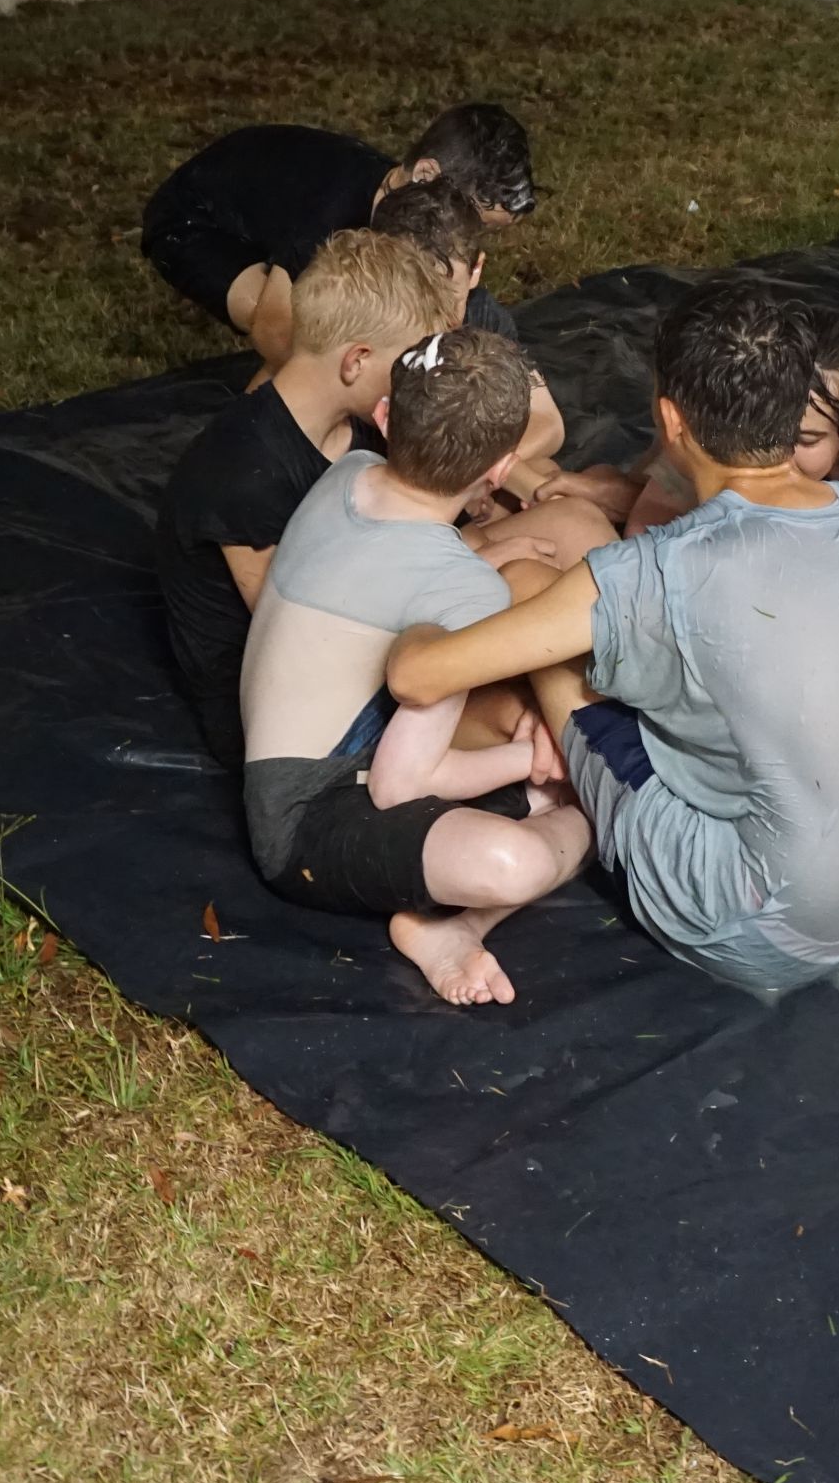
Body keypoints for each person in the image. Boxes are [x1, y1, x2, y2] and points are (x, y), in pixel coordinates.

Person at [386, 284, 839, 997]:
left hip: (754, 928)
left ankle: (524, 790)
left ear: (670, 420)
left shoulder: (659, 574)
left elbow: (417, 675)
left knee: (530, 585)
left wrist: (427, 591)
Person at [239, 327, 594, 1007]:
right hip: (308, 826)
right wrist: (534, 760)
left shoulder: (346, 475)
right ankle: (565, 835)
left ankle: (501, 856)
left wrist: (485, 563)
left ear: (383, 415)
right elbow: (399, 787)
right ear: (502, 468)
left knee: (519, 723)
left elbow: (390, 573)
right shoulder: (460, 592)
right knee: (522, 855)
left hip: (296, 767)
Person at [154, 228, 455, 763]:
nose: (418, 384)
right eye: (407, 366)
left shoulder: (358, 428)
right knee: (495, 690)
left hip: (355, 632)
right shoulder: (242, 473)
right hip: (279, 713)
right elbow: (300, 640)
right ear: (356, 360)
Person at [138, 103, 536, 365]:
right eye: (471, 221)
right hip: (196, 219)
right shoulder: (329, 215)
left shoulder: (408, 197)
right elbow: (274, 332)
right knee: (308, 338)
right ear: (425, 175)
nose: (468, 240)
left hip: (274, 203)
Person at [548, 299, 839, 537]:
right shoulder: (732, 441)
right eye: (767, 425)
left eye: (804, 439)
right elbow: (646, 527)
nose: (775, 452)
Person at [369, 177, 565, 478]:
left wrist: (470, 476)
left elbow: (548, 424)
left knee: (546, 474)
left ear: (476, 270)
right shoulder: (365, 328)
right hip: (389, 478)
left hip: (453, 475)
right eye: (412, 298)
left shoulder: (482, 317)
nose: (431, 319)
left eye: (447, 299)